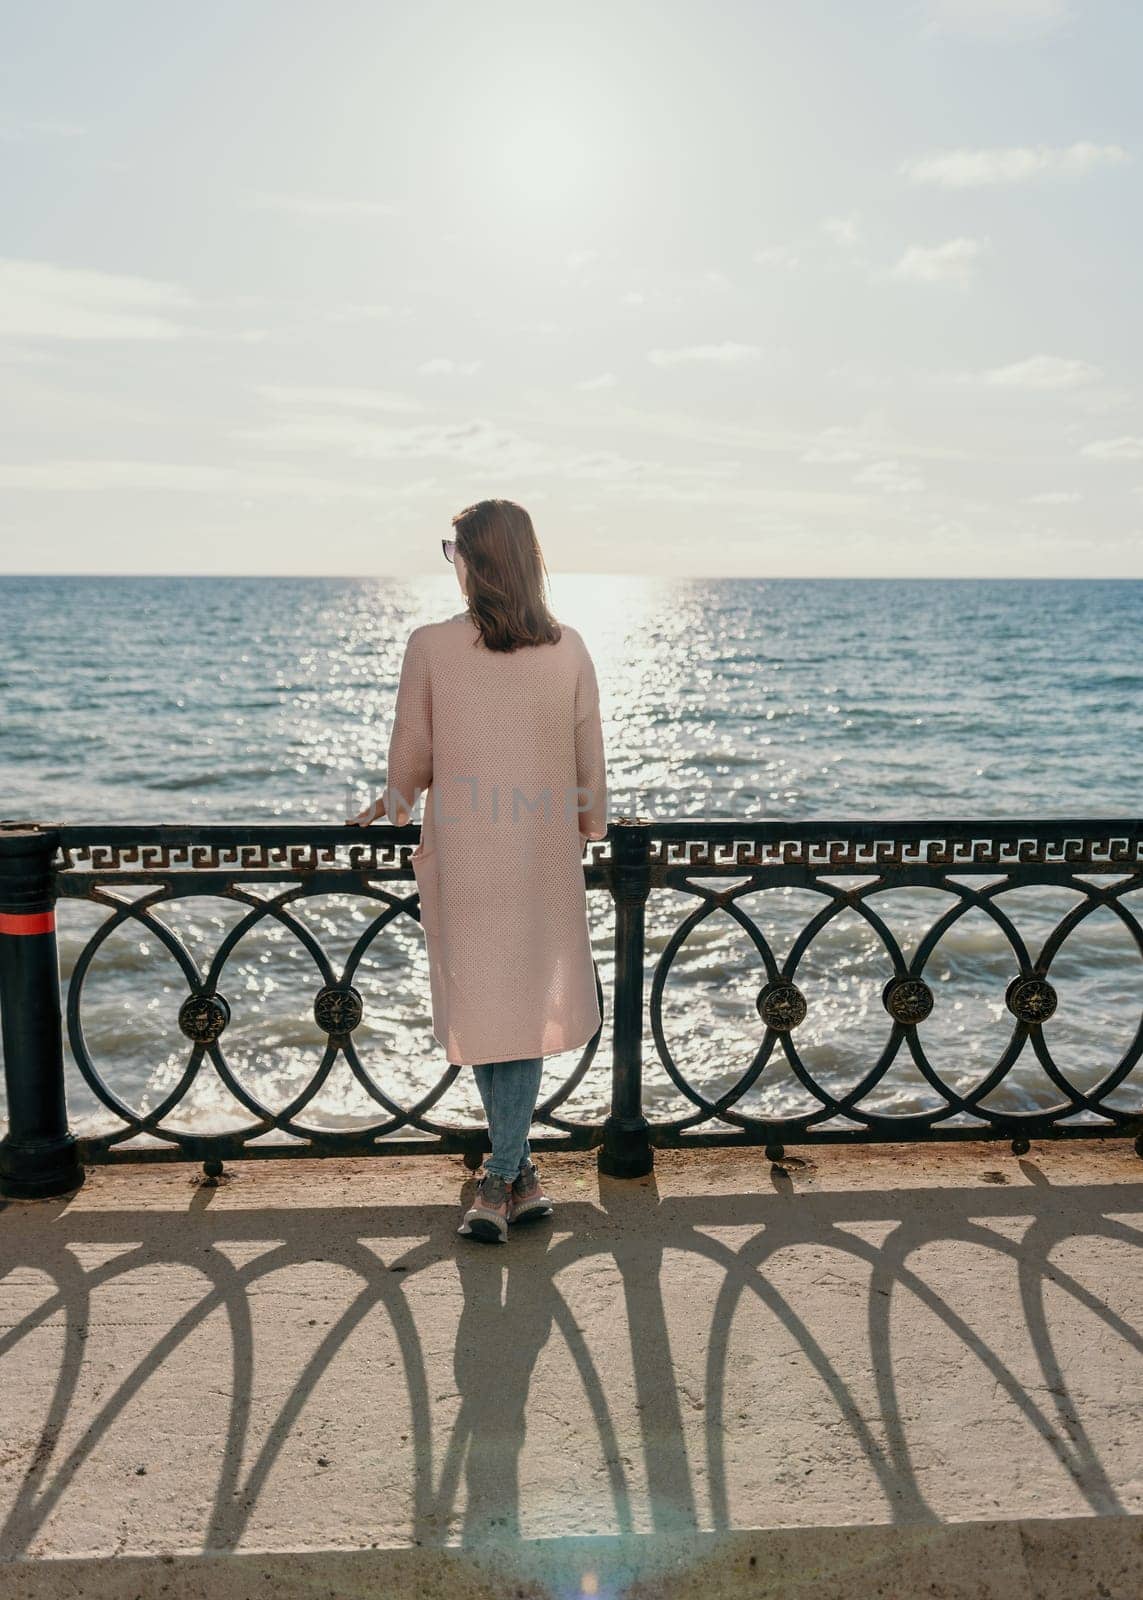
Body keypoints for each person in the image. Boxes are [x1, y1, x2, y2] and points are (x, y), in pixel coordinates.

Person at [349, 499, 607, 1244]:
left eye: (451, 548)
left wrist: (391, 805)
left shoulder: (429, 645)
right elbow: (588, 755)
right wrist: (590, 826)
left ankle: (499, 1180)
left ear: (474, 559)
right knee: (514, 1014)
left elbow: (413, 753)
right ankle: (516, 1172)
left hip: (467, 852)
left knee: (487, 1007)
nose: (450, 561)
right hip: (539, 852)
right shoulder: (569, 648)